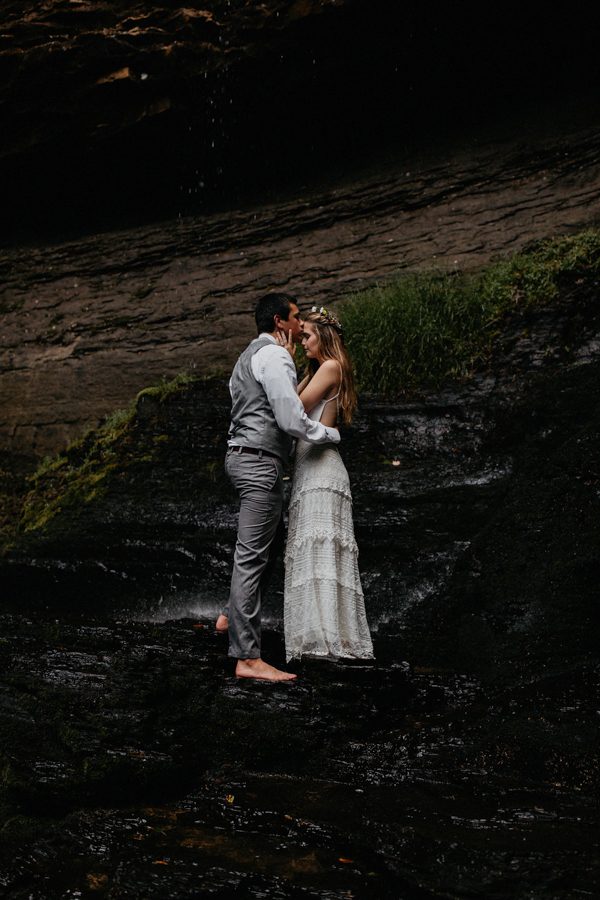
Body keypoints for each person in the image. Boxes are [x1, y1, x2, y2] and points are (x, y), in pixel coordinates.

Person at [217, 293, 341, 681]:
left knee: (263, 551)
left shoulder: (248, 356)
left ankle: (228, 618)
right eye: (294, 318)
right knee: (253, 557)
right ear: (279, 322)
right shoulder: (275, 357)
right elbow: (290, 419)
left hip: (242, 456)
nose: (299, 326)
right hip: (259, 462)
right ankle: (247, 658)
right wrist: (329, 434)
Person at [279, 307, 374, 663]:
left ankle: (329, 643)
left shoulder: (331, 366)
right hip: (309, 469)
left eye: (307, 335)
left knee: (322, 554)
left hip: (322, 471)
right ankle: (319, 641)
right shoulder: (320, 370)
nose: (302, 341)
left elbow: (293, 408)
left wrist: (285, 365)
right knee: (311, 553)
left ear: (325, 336)